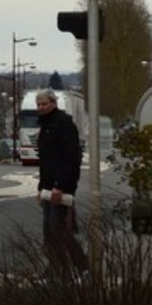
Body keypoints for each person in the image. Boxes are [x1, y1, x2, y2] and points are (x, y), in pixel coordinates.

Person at [35, 89, 89, 275]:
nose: (41, 107)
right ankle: (56, 269)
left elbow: (69, 158)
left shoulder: (63, 124)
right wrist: (41, 188)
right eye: (39, 104)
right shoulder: (46, 125)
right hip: (49, 187)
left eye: (44, 104)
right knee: (49, 232)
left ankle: (81, 266)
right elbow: (45, 161)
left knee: (59, 229)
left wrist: (60, 185)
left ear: (54, 103)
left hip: (61, 187)